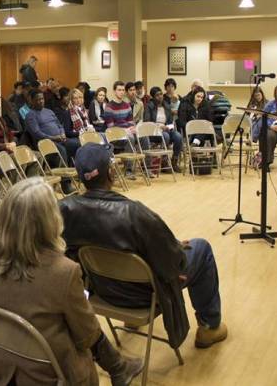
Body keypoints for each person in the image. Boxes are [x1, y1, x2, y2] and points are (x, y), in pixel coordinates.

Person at [0, 177, 143, 386]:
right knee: (84, 326)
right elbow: (87, 337)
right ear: (50, 220)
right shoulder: (63, 272)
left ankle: (119, 368)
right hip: (49, 375)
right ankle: (118, 368)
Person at [60, 143, 228, 350]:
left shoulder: (65, 210)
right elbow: (174, 263)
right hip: (144, 294)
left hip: (103, 291)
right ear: (111, 173)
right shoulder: (134, 213)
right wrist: (175, 251)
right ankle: (209, 328)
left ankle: (130, 320)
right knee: (201, 248)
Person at [25, 89, 80, 164]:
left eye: (42, 99)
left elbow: (59, 125)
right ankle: (64, 175)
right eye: (38, 99)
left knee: (77, 144)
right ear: (32, 101)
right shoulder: (30, 115)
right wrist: (53, 138)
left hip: (60, 139)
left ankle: (76, 169)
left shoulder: (49, 111)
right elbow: (37, 133)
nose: (41, 101)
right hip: (46, 143)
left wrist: (62, 134)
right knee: (62, 150)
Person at [145, 86, 183, 172]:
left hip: (166, 129)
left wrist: (168, 127)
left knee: (178, 136)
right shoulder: (149, 106)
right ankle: (164, 162)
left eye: (161, 94)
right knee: (165, 136)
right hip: (153, 131)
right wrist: (159, 127)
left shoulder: (166, 105)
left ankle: (174, 162)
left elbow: (170, 122)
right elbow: (147, 122)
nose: (160, 96)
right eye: (157, 95)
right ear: (153, 97)